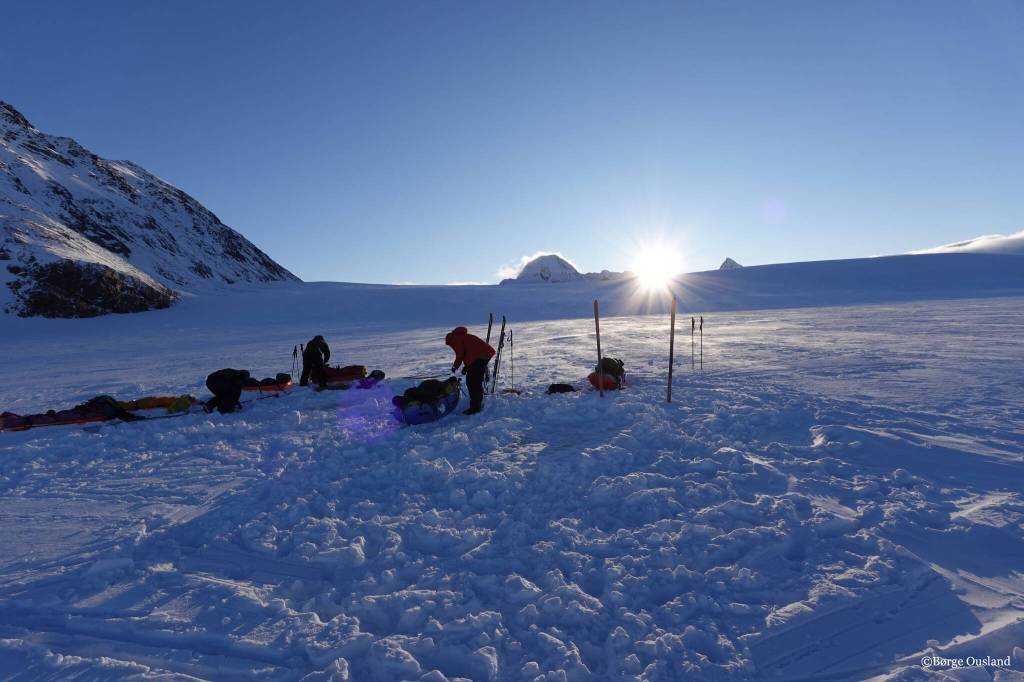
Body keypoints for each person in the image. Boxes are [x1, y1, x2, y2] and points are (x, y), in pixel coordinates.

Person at [444, 326, 495, 415]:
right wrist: (466, 367)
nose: (451, 346)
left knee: (472, 382)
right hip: (485, 355)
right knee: (474, 379)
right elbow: (470, 354)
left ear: (449, 340)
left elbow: (460, 354)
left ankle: (475, 407)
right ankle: (478, 402)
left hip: (482, 356)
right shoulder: (462, 337)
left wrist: (455, 367)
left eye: (449, 344)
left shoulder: (455, 339)